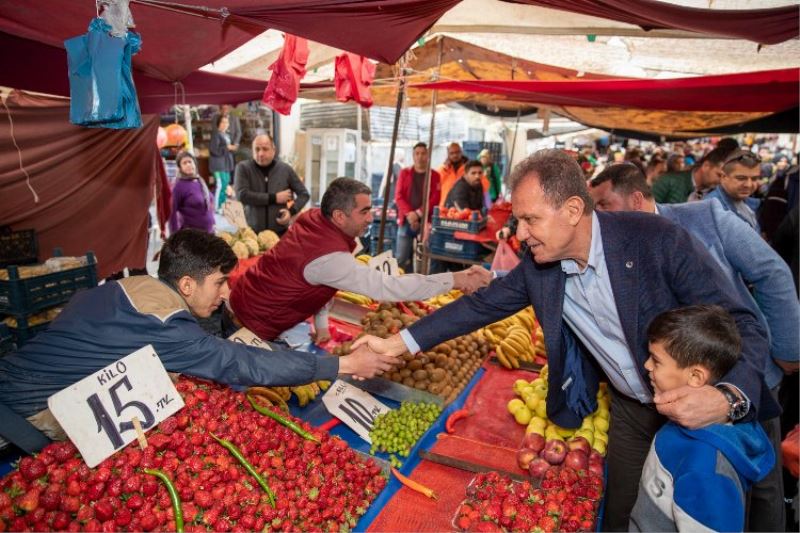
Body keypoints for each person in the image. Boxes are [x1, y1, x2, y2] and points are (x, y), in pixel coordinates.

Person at [354, 149, 777, 530]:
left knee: (730, 511)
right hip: (632, 406)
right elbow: (480, 307)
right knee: (623, 513)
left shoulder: (657, 241)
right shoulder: (541, 266)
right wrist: (396, 344)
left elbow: (744, 322)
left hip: (709, 407)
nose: (519, 233)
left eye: (530, 219)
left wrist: (727, 398)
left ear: (573, 209)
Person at [0, 230, 395, 446]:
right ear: (187, 284)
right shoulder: (170, 326)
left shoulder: (133, 286)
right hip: (28, 415)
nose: (226, 293)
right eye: (221, 283)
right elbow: (240, 363)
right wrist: (341, 363)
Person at [588, 163, 798, 530]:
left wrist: (788, 349)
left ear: (636, 200)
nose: (595, 218)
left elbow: (772, 272)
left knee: (755, 479)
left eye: (603, 205)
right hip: (662, 386)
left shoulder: (707, 217)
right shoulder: (607, 248)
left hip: (737, 373)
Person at [230, 178, 491, 343]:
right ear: (339, 216)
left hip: (246, 298)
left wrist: (321, 325)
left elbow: (318, 280)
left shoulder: (313, 217)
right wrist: (455, 278)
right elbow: (390, 287)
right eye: (364, 211)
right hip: (252, 321)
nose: (370, 218)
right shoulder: (331, 257)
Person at [629, 305, 774, 532]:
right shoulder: (682, 422)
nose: (646, 365)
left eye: (656, 361)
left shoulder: (706, 471)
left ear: (696, 376)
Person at [234, 134, 310, 236]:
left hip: (280, 233)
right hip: (252, 234)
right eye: (257, 149)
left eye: (265, 149)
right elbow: (241, 195)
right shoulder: (243, 168)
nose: (260, 153)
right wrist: (274, 198)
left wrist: (291, 212)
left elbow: (304, 194)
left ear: (273, 150)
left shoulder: (285, 169)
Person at [394, 142, 441, 273]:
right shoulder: (404, 173)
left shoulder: (435, 175)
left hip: (426, 222)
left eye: (423, 153)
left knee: (426, 259)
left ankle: (423, 286)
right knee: (402, 258)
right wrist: (409, 214)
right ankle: (405, 286)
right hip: (406, 221)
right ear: (413, 156)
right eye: (417, 153)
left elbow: (435, 198)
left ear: (428, 156)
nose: (420, 156)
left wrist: (419, 213)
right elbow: (398, 196)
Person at [705, 149, 762, 232]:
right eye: (741, 178)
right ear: (723, 177)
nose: (748, 185)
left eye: (754, 179)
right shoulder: (711, 210)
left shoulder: (747, 202)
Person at [652, 146, 729, 204]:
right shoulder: (668, 181)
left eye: (725, 177)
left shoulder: (718, 193)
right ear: (706, 166)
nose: (721, 181)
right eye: (719, 175)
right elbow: (648, 211)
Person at [168, 151, 215, 234]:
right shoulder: (178, 186)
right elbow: (172, 214)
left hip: (209, 233)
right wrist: (174, 238)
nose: (188, 165)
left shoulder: (200, 181)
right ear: (180, 168)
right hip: (192, 237)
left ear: (195, 164)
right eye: (184, 163)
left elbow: (208, 205)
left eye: (190, 161)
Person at [209, 114, 236, 210]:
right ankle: (217, 207)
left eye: (226, 122)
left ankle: (222, 206)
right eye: (222, 122)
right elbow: (214, 150)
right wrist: (227, 147)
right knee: (220, 185)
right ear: (218, 124)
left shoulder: (226, 135)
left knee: (225, 185)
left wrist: (231, 148)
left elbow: (226, 149)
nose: (225, 124)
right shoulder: (216, 134)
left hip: (226, 165)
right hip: (218, 165)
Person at [438, 142, 468, 208]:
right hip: (444, 208)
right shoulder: (442, 170)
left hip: (464, 209)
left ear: (461, 152)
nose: (455, 155)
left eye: (457, 152)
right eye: (452, 153)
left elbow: (484, 187)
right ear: (448, 154)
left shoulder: (469, 169)